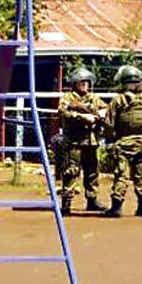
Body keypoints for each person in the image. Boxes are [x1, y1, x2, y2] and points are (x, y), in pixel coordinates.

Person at [104, 65, 142, 218]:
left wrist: (110, 140)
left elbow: (109, 123)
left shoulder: (118, 100)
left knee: (122, 174)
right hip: (141, 142)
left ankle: (116, 207)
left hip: (124, 143)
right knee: (140, 174)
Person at [57, 67, 107, 215]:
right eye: (81, 82)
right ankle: (66, 203)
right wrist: (82, 116)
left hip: (91, 141)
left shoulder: (94, 98)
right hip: (74, 141)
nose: (84, 84)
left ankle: (92, 200)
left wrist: (102, 113)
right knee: (71, 171)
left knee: (92, 172)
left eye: (86, 81)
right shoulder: (68, 97)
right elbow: (63, 112)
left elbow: (105, 108)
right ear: (75, 83)